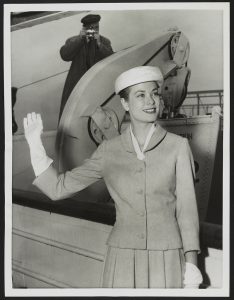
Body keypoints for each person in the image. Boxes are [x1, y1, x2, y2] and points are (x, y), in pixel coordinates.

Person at [23, 66, 203, 288]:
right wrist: (35, 147)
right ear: (125, 104)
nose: (151, 101)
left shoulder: (178, 147)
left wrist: (192, 264)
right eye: (140, 95)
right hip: (122, 258)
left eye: (154, 93)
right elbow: (58, 188)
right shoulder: (109, 151)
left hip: (166, 258)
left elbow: (187, 212)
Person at [59, 14, 113, 120]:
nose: (94, 31)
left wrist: (99, 45)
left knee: (97, 116)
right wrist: (80, 39)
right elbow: (64, 55)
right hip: (77, 86)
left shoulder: (104, 41)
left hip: (96, 85)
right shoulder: (73, 40)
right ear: (84, 28)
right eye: (91, 28)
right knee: (73, 116)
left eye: (96, 27)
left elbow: (111, 59)